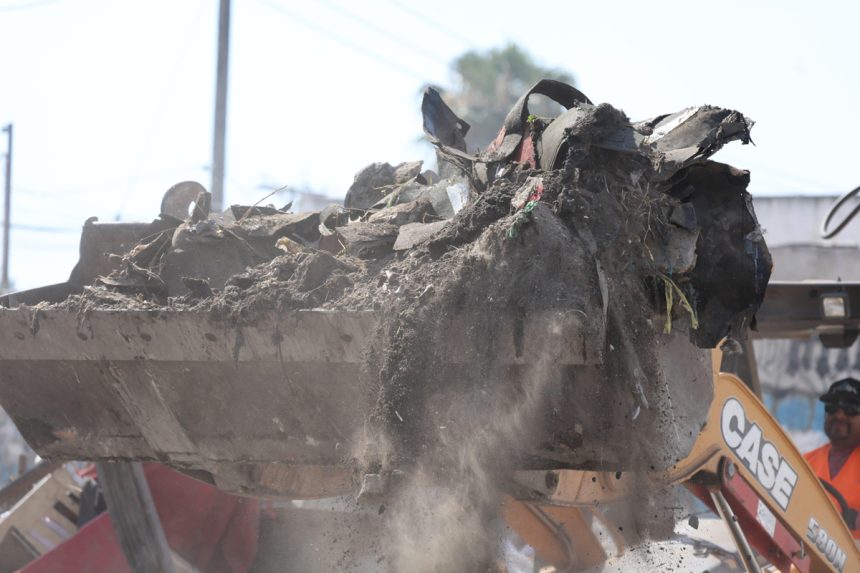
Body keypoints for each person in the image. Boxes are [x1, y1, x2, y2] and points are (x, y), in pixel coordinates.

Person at [804, 377, 860, 539]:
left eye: (851, 407)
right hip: (806, 556)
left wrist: (854, 519)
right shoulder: (805, 462)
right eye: (833, 407)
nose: (840, 415)